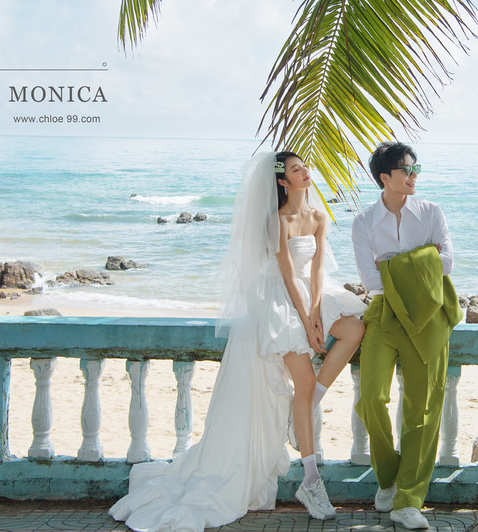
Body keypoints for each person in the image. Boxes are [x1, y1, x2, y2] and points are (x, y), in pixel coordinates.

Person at [110, 151, 366, 532]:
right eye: (296, 170)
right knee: (304, 380)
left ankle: (310, 404)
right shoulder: (275, 220)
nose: (305, 172)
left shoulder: (317, 216)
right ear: (282, 182)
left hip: (308, 294)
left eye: (303, 167)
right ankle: (311, 481)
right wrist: (304, 320)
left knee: (354, 330)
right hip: (277, 299)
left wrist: (316, 314)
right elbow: (285, 274)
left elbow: (316, 270)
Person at [351, 142, 460, 530]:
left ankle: (409, 500)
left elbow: (447, 262)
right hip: (384, 314)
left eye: (416, 168)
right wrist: (423, 258)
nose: (414, 175)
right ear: (385, 177)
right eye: (406, 170)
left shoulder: (431, 212)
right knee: (371, 397)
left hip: (429, 316)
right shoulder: (364, 221)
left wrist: (395, 266)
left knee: (423, 408)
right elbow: (370, 280)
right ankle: (390, 477)